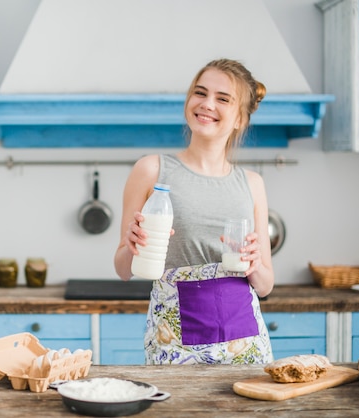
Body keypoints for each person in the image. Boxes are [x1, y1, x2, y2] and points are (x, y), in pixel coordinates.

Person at [114, 58, 274, 365]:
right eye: (200, 93)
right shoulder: (151, 170)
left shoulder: (252, 184)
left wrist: (253, 263)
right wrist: (132, 247)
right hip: (173, 342)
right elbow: (122, 269)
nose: (206, 104)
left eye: (223, 99)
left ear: (240, 118)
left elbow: (265, 286)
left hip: (246, 346)